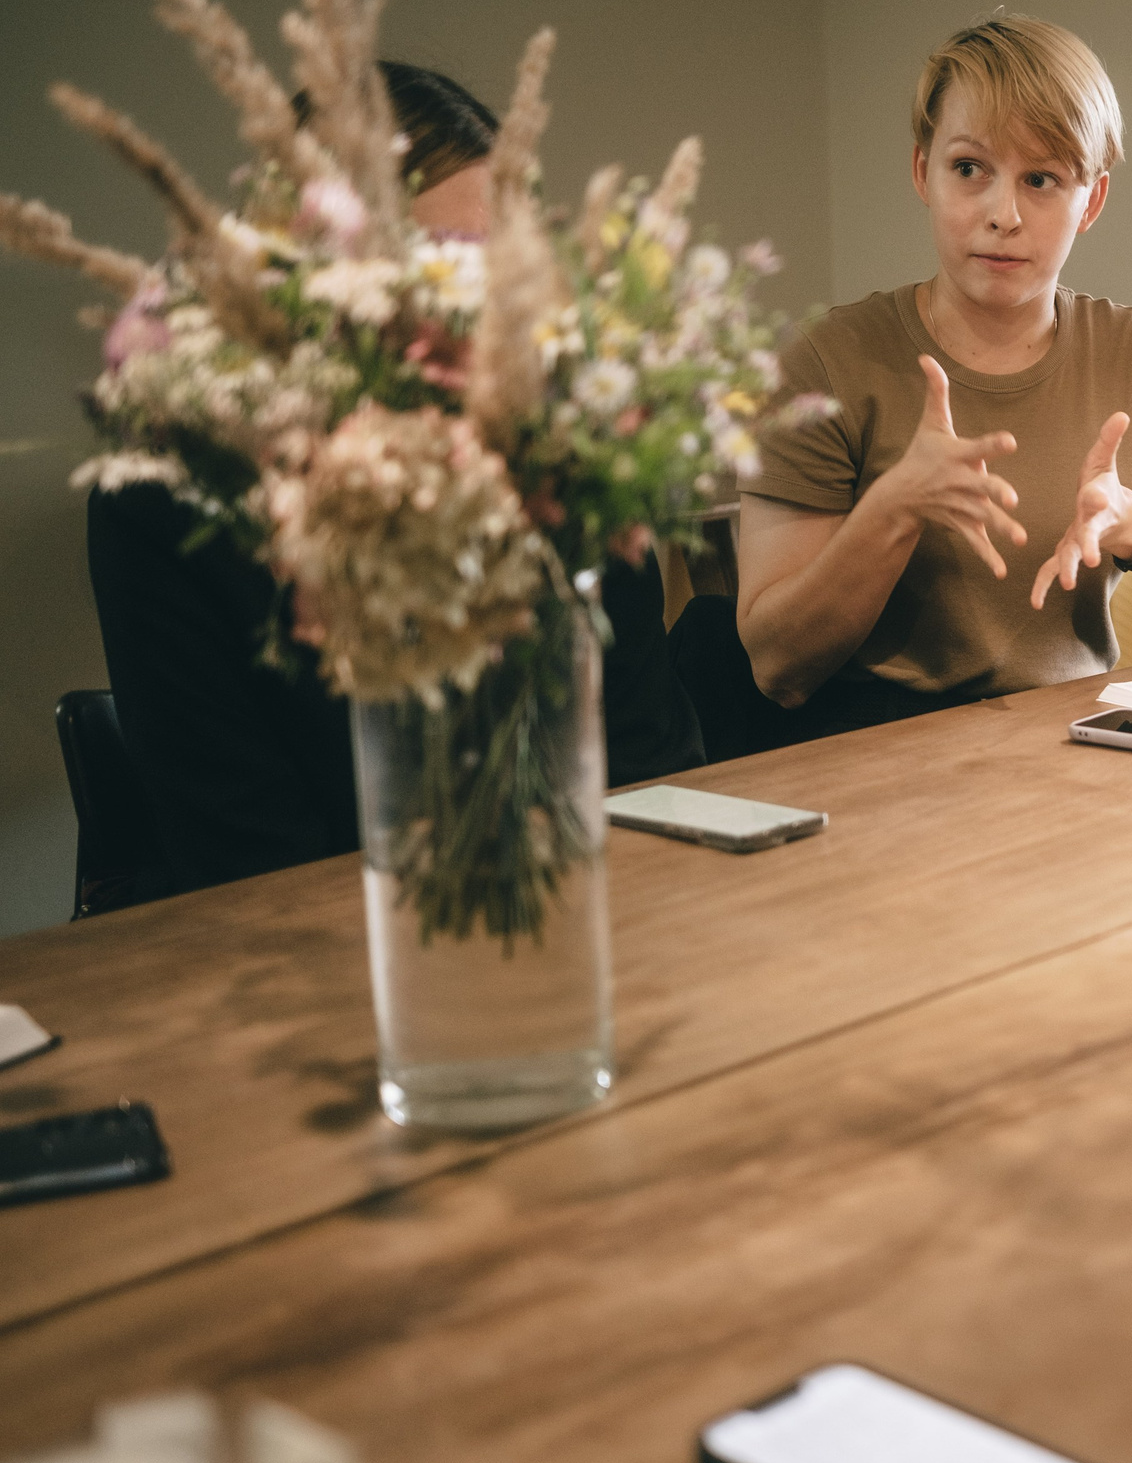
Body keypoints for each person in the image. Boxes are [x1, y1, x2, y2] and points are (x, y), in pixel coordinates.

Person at [87, 61, 701, 903]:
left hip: (600, 930)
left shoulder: (573, 455)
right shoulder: (167, 502)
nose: (482, 316)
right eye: (444, 268)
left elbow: (649, 771)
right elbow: (251, 870)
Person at [727, 16, 1132, 745]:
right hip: (870, 762)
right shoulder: (825, 364)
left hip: (1075, 747)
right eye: (970, 169)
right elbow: (776, 664)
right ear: (923, 173)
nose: (1003, 215)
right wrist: (894, 509)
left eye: (1041, 180)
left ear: (1090, 202)